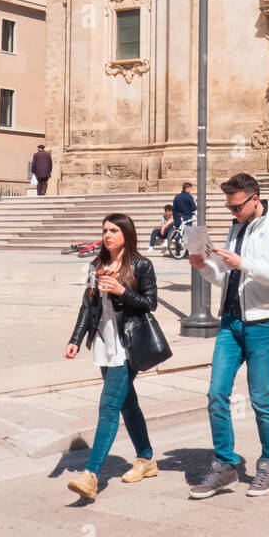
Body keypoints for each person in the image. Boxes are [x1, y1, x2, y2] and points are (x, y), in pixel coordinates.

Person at [187, 172, 269, 499]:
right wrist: (204, 266)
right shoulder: (235, 228)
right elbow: (224, 277)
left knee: (261, 399)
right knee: (216, 394)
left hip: (264, 324)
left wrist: (244, 263)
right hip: (231, 322)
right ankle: (224, 463)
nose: (231, 213)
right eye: (229, 208)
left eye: (236, 207)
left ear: (254, 199)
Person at [63, 213, 159, 501]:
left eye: (114, 230)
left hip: (127, 345)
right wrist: (75, 340)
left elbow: (149, 303)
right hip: (104, 344)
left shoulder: (141, 265)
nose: (107, 235)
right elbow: (87, 307)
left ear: (126, 234)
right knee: (127, 404)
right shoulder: (97, 265)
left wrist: (122, 291)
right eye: (104, 230)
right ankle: (146, 459)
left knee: (108, 407)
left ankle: (91, 474)